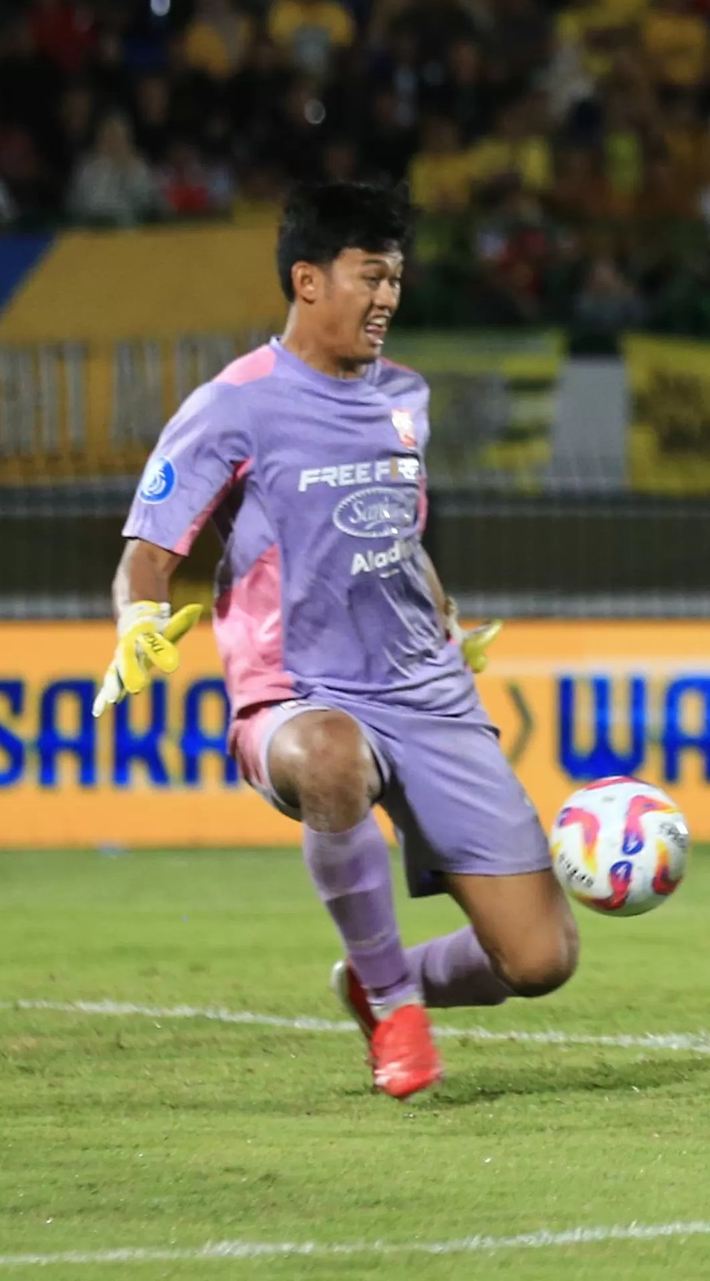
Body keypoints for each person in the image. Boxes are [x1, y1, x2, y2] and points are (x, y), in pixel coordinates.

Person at [95, 183, 573, 1100]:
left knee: (541, 957)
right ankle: (394, 1006)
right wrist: (138, 622)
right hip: (300, 694)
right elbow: (146, 554)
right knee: (330, 754)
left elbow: (395, 529)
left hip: (427, 695)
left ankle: (375, 977)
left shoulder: (405, 397)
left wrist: (441, 611)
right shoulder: (233, 404)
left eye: (395, 277)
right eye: (371, 275)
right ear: (308, 280)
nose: (388, 296)